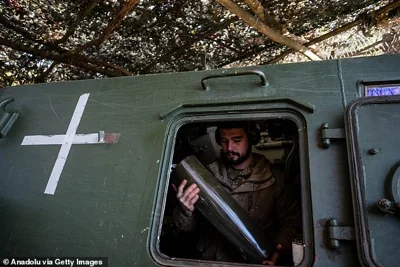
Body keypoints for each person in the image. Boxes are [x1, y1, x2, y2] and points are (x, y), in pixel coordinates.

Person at [173, 121, 301, 265]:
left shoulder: (274, 179)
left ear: (251, 138)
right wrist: (186, 212)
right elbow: (185, 229)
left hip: (255, 261)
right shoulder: (204, 176)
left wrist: (277, 253)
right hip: (212, 261)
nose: (229, 147)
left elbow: (291, 222)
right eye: (224, 141)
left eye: (237, 140)